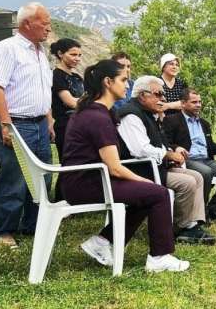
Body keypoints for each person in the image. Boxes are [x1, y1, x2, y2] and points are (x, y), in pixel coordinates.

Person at [58, 60, 188, 272]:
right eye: (124, 80)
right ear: (108, 82)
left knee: (148, 195)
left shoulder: (93, 110)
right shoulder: (97, 116)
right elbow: (114, 168)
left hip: (84, 180)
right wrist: (145, 181)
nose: (128, 85)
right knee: (159, 193)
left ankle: (101, 243)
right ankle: (159, 257)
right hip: (87, 183)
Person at [117, 75, 216, 245]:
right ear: (142, 96)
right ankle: (181, 227)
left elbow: (159, 143)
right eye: (158, 94)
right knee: (187, 182)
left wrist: (170, 153)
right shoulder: (131, 115)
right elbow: (140, 149)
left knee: (198, 176)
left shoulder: (149, 114)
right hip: (139, 170)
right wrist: (168, 155)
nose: (163, 98)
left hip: (156, 166)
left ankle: (193, 224)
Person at [0, 2, 54, 248]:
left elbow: (41, 89)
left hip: (39, 125)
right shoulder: (8, 49)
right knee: (14, 179)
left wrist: (48, 120)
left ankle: (33, 226)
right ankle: (3, 233)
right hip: (16, 125)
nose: (49, 29)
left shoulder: (40, 52)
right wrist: (5, 124)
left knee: (42, 179)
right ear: (28, 24)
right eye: (45, 24)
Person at [163, 88, 216, 221]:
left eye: (199, 101)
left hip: (206, 159)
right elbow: (165, 142)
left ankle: (211, 209)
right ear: (183, 103)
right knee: (206, 172)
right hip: (187, 160)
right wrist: (176, 148)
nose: (198, 105)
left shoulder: (204, 124)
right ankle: (198, 213)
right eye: (194, 102)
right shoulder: (172, 120)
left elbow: (211, 146)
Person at [50, 38, 84, 161]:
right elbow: (70, 102)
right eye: (73, 54)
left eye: (79, 55)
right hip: (65, 126)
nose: (77, 58)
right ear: (60, 54)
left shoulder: (77, 77)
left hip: (80, 124)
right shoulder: (56, 76)